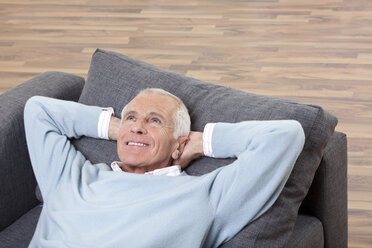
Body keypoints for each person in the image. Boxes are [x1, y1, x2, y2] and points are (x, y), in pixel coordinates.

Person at [24, 88, 305, 248]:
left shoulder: (204, 195)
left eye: (154, 121)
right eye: (131, 117)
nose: (137, 126)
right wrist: (120, 129)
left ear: (177, 144)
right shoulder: (71, 176)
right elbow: (38, 110)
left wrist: (200, 143)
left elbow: (285, 136)